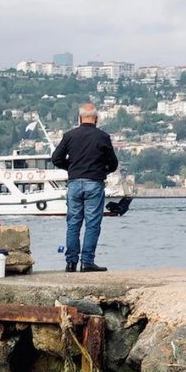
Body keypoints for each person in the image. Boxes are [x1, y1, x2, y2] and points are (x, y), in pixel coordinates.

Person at [50, 103, 119, 272]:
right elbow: (113, 163)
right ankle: (87, 262)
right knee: (92, 224)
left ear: (79, 118)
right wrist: (102, 170)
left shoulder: (69, 136)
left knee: (73, 223)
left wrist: (72, 167)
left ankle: (71, 262)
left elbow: (56, 158)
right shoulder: (102, 137)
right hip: (94, 183)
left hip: (74, 184)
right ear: (96, 118)